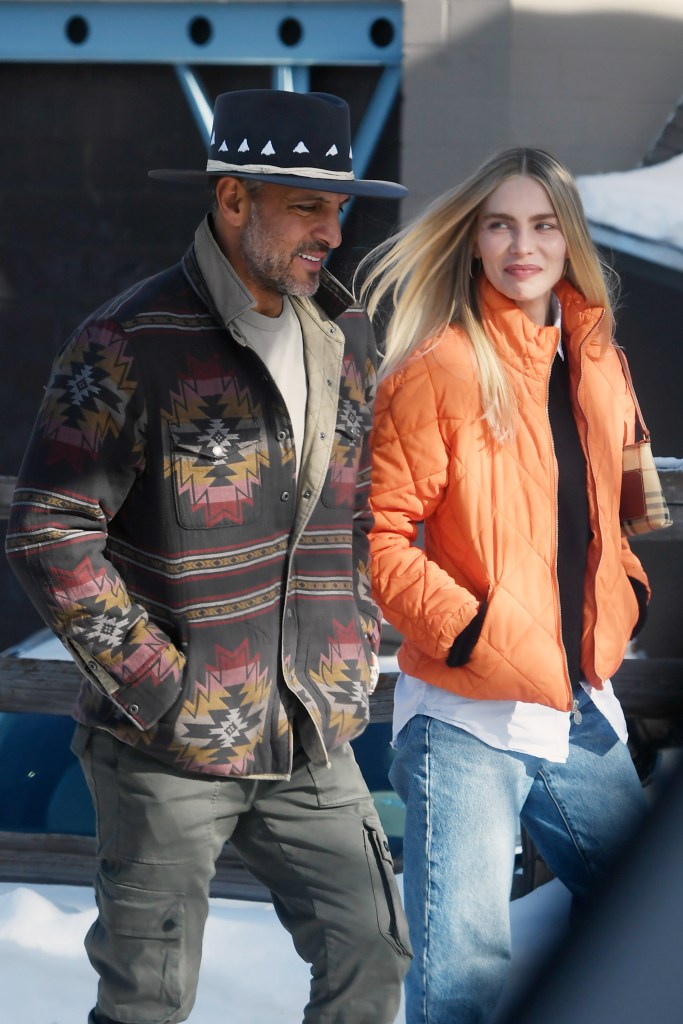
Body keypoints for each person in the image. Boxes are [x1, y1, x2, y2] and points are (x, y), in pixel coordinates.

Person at [6, 89, 412, 1024]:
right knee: (147, 1000)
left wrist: (355, 638)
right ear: (233, 200)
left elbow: (351, 509)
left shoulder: (345, 336)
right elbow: (48, 527)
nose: (331, 230)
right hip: (164, 745)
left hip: (312, 728)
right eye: (306, 205)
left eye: (339, 206)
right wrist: (155, 681)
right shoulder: (128, 340)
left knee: (372, 955)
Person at [357, 147, 650, 1024]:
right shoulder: (435, 370)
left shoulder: (604, 368)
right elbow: (379, 539)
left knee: (646, 937)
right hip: (465, 718)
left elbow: (635, 507)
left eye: (540, 223)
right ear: (474, 241)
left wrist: (627, 597)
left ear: (570, 238)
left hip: (579, 708)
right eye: (498, 224)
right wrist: (472, 634)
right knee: (463, 983)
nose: (521, 244)